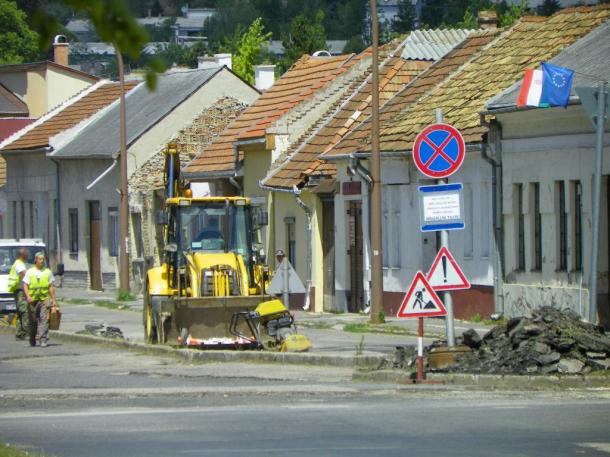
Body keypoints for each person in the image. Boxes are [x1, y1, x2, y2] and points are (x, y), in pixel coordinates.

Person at [22, 252, 58, 347]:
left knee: (44, 320)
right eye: (40, 259)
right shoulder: (30, 272)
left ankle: (43, 339)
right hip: (32, 300)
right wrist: (28, 296)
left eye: (43, 259)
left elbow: (51, 286)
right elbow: (25, 284)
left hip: (44, 299)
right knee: (33, 321)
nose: (42, 261)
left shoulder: (47, 272)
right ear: (36, 260)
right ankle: (32, 339)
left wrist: (53, 300)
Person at [7, 248, 29, 340]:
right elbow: (24, 275)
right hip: (21, 291)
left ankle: (19, 334)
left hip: (18, 290)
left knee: (20, 312)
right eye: (26, 254)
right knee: (25, 312)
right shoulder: (19, 264)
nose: (27, 255)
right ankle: (26, 333)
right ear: (22, 255)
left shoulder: (17, 263)